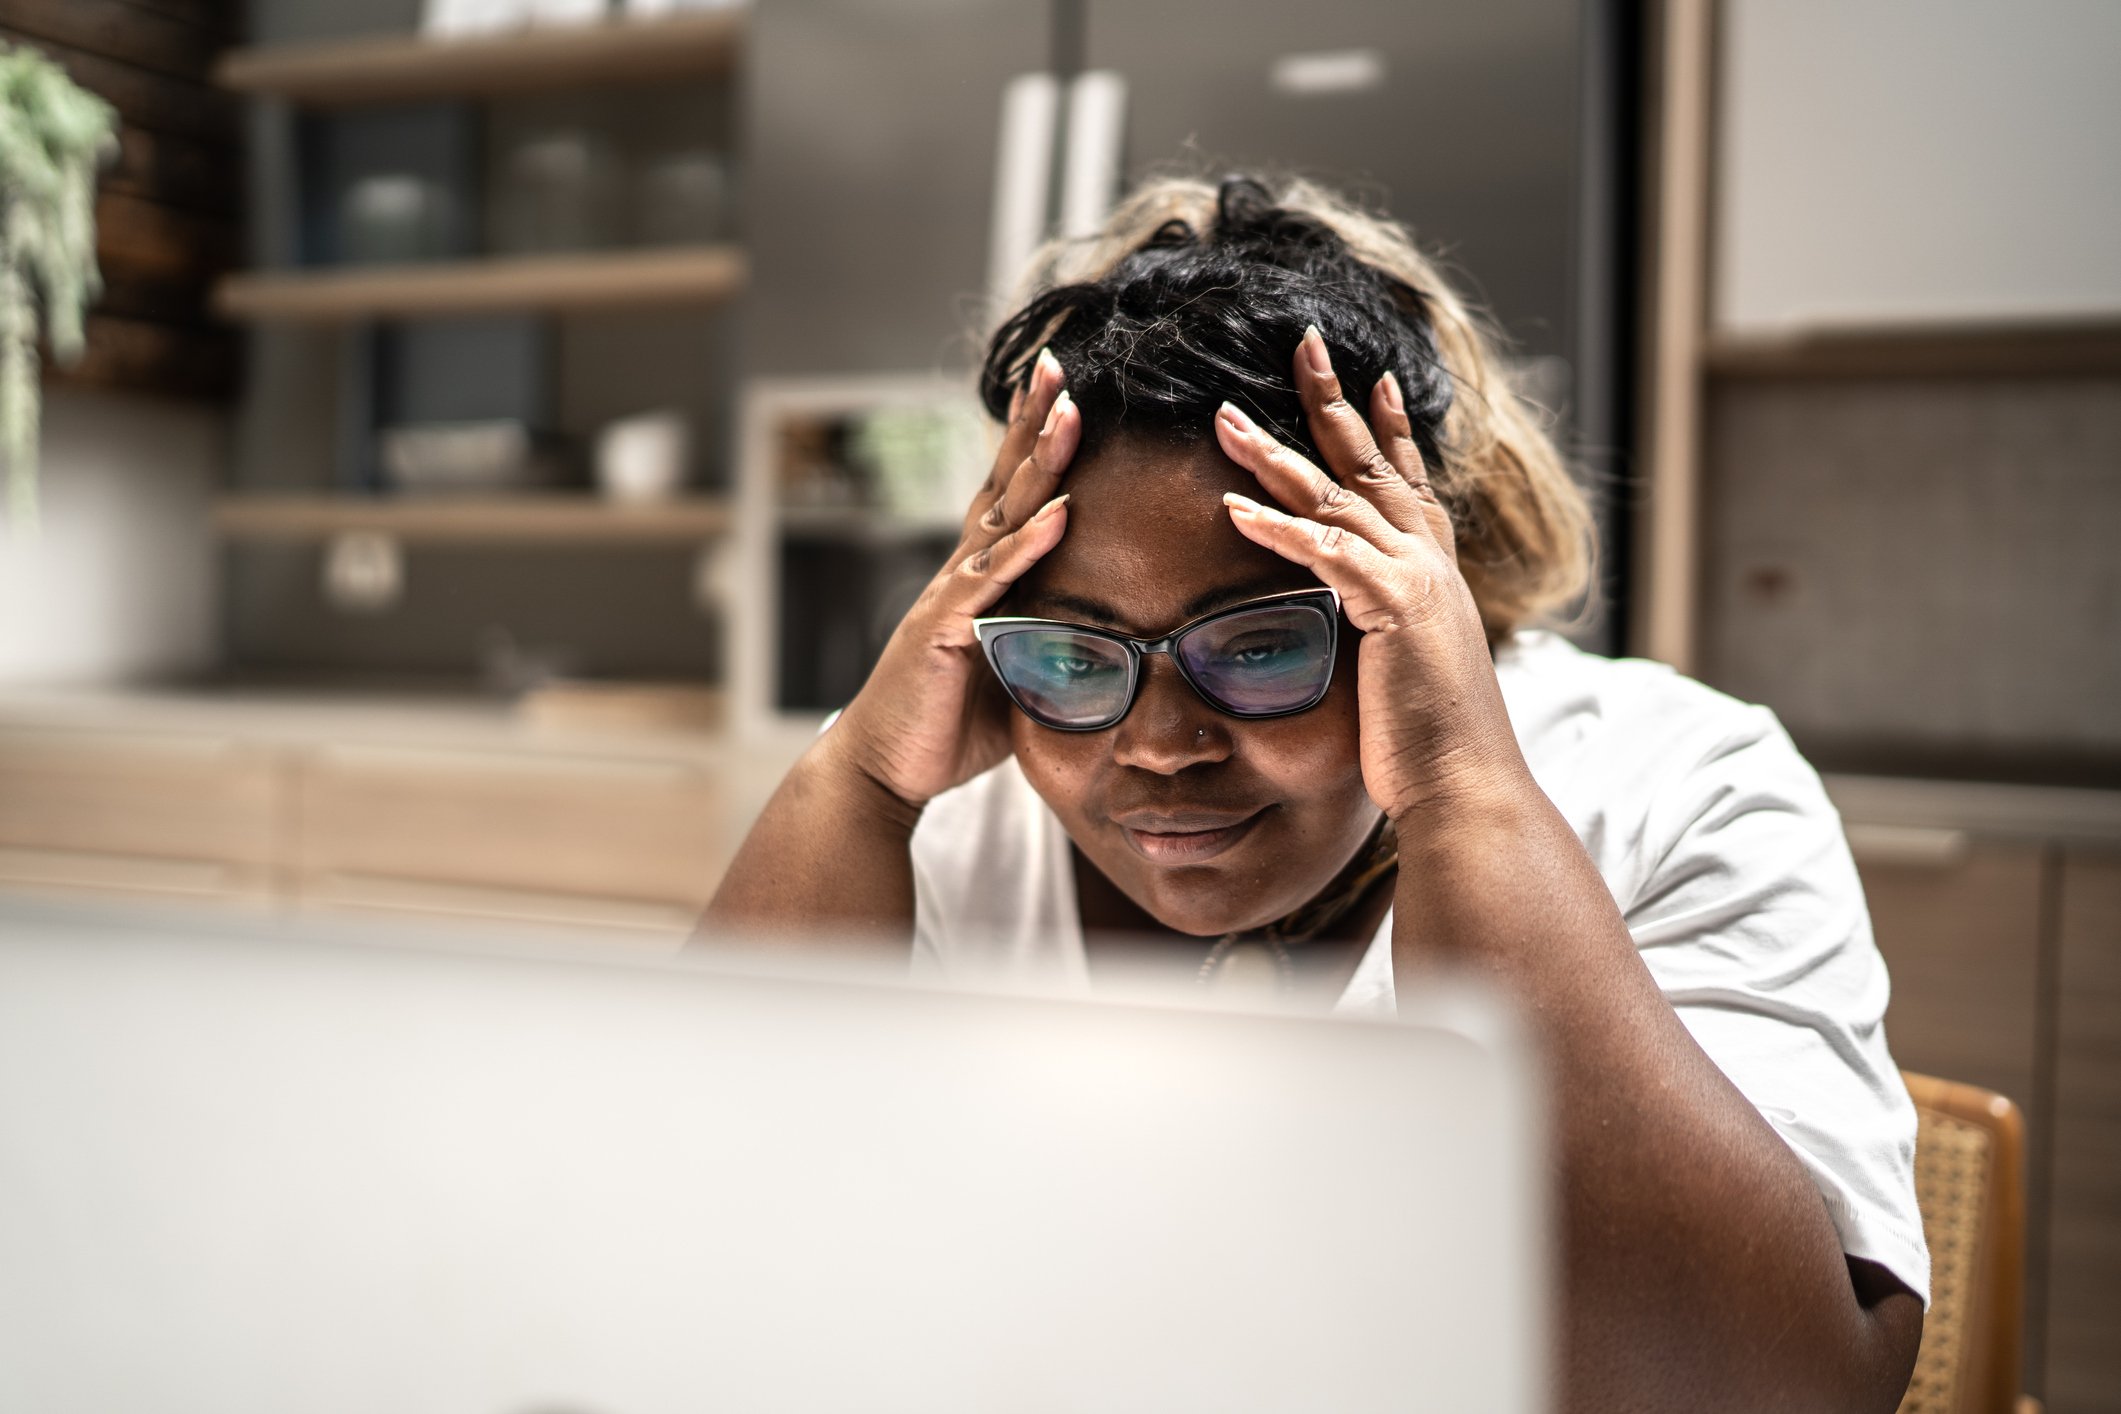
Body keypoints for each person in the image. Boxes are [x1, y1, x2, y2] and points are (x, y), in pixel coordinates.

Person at [707, 175, 1927, 1411]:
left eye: (1258, 646)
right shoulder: (939, 800)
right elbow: (679, 1255)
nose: (1160, 746)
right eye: (1076, 652)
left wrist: (1458, 788)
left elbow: (1784, 1391)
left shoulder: (1678, 788)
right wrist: (857, 779)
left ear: (1415, 600)